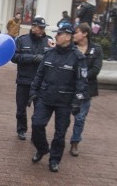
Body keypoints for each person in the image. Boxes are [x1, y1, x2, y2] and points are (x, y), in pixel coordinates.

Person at [29, 22, 87, 173]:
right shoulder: (49, 53)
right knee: (36, 124)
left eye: (59, 34)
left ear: (68, 37)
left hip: (64, 101)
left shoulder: (77, 57)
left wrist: (77, 101)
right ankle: (42, 149)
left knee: (60, 133)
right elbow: (39, 74)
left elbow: (82, 82)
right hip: (45, 97)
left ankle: (54, 159)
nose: (56, 36)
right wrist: (33, 92)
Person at [11, 16, 53, 141]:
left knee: (39, 109)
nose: (42, 30)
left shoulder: (49, 41)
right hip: (24, 80)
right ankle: (21, 129)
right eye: (40, 28)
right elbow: (14, 57)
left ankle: (36, 132)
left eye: (43, 28)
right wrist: (33, 58)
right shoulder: (22, 40)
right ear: (33, 27)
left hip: (41, 83)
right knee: (21, 109)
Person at [70, 23, 103, 157]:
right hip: (69, 87)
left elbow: (95, 69)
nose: (73, 35)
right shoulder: (71, 48)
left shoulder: (96, 49)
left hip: (86, 88)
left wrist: (81, 78)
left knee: (80, 118)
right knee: (63, 115)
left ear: (84, 34)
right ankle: (59, 140)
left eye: (76, 32)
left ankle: (75, 142)